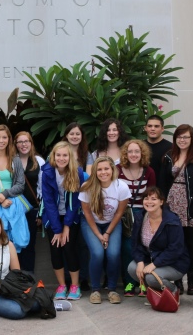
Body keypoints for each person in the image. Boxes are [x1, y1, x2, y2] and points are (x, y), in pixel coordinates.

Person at [158, 124, 193, 295]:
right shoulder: (169, 156)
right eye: (179, 137)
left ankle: (192, 280)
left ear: (192, 138)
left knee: (189, 244)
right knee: (175, 244)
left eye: (186, 137)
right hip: (172, 205)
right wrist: (161, 207)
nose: (182, 140)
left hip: (190, 207)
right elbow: (162, 184)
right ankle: (178, 280)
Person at [79, 156, 131, 304]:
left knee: (113, 253)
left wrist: (107, 233)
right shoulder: (87, 187)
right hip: (91, 223)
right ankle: (95, 290)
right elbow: (87, 214)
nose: (103, 172)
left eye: (106, 168)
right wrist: (99, 235)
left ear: (112, 169)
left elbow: (119, 213)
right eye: (99, 169)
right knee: (97, 253)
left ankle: (112, 289)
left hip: (112, 223)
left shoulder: (121, 186)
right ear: (95, 171)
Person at [41, 142, 83, 300]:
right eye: (58, 155)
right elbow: (49, 202)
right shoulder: (47, 172)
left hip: (71, 216)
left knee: (70, 248)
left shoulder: (76, 172)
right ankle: (61, 285)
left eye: (65, 155)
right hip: (53, 216)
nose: (61, 158)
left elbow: (74, 202)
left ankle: (74, 286)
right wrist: (57, 229)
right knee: (56, 249)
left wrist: (66, 226)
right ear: (53, 156)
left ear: (70, 156)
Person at [128, 187, 189, 295]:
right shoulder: (140, 217)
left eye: (154, 199)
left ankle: (173, 290)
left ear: (161, 202)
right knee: (133, 268)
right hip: (151, 259)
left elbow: (175, 249)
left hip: (174, 263)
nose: (149, 202)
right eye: (146, 198)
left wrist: (154, 264)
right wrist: (140, 261)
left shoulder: (172, 220)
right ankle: (155, 292)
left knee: (152, 278)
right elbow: (135, 244)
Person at [117, 139, 156, 297]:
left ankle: (143, 283)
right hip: (123, 214)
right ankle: (128, 284)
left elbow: (152, 195)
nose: (133, 155)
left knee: (144, 248)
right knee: (127, 248)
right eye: (130, 151)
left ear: (142, 154)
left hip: (143, 214)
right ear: (125, 154)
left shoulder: (149, 172)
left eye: (137, 152)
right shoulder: (117, 170)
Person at [61, 122, 91, 291]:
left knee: (83, 244)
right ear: (66, 135)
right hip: (64, 206)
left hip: (83, 205)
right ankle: (67, 278)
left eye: (77, 134)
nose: (74, 136)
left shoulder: (87, 154)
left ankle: (84, 278)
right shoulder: (59, 153)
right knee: (67, 243)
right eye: (71, 133)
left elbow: (88, 181)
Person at [14, 131, 45, 273]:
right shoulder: (12, 160)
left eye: (26, 141)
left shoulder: (39, 161)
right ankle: (15, 278)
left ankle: (28, 278)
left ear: (31, 143)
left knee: (30, 245)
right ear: (15, 144)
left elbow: (44, 188)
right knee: (15, 245)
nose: (23, 144)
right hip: (14, 211)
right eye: (20, 142)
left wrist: (41, 213)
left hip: (32, 209)